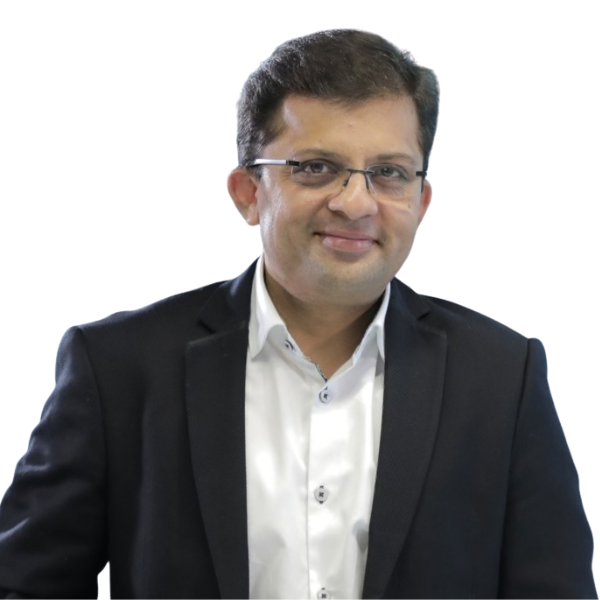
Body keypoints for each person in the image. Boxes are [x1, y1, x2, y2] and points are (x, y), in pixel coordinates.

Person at [0, 29, 595, 599]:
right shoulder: (120, 368)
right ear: (248, 193)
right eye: (315, 167)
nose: (355, 203)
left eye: (389, 173)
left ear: (421, 200)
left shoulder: (501, 378)